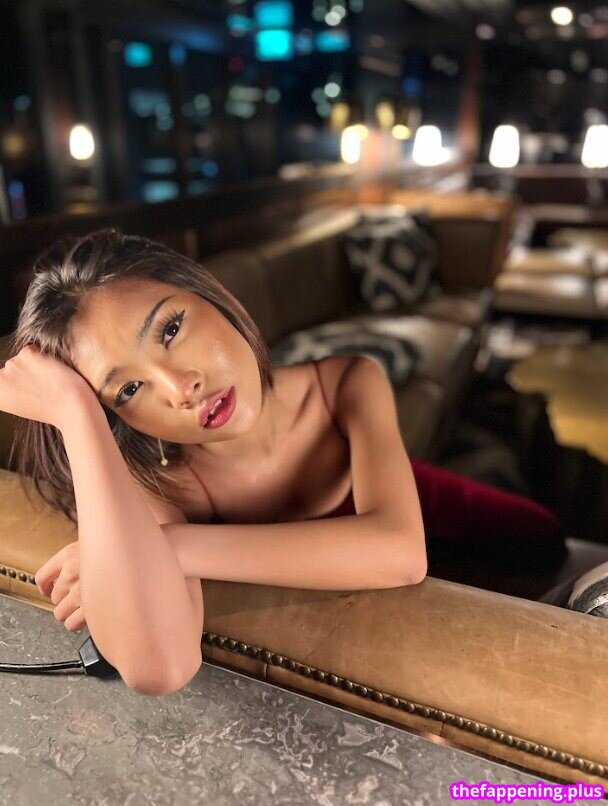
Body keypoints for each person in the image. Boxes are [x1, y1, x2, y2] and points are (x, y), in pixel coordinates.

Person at [0, 229, 566, 693]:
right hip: (392, 597)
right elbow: (160, 668)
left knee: (541, 540)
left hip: (419, 501)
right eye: (127, 391)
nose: (180, 388)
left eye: (170, 329)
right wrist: (76, 414)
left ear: (213, 295)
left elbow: (400, 551)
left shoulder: (348, 382)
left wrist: (167, 547)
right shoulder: (162, 484)